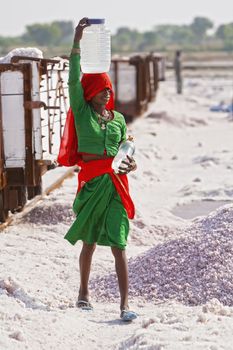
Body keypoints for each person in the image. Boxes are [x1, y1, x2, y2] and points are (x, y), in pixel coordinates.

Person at [62, 17, 137, 322]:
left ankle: (125, 305)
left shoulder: (118, 119)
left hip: (117, 185)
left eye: (109, 89)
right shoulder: (82, 112)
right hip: (93, 183)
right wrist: (77, 41)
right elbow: (72, 80)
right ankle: (83, 293)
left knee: (119, 244)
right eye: (101, 89)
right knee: (90, 242)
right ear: (89, 92)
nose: (107, 93)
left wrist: (132, 164)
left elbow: (127, 151)